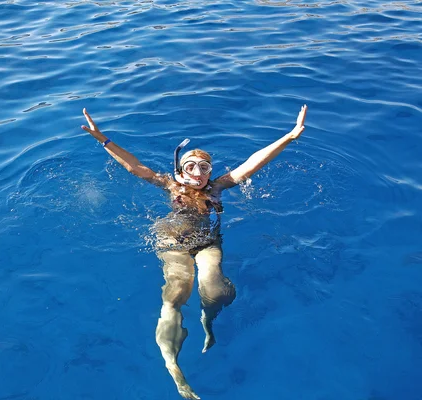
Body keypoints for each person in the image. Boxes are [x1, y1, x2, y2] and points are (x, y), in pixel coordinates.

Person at [81, 105, 308, 400]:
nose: (198, 172)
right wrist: (103, 139)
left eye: (204, 167)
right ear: (179, 170)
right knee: (176, 295)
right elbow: (134, 166)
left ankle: (208, 320)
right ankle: (172, 364)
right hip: (173, 242)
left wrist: (289, 137)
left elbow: (252, 164)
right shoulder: (168, 184)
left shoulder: (217, 187)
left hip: (207, 242)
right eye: (191, 166)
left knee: (215, 287)